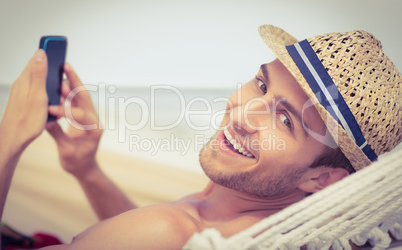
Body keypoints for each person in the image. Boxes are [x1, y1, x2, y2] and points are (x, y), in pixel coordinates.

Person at [0, 25, 400, 249]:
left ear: (323, 179)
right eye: (261, 84)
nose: (244, 114)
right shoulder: (239, 208)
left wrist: (10, 137)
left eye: (285, 120)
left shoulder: (172, 231)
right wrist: (86, 169)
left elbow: (159, 234)